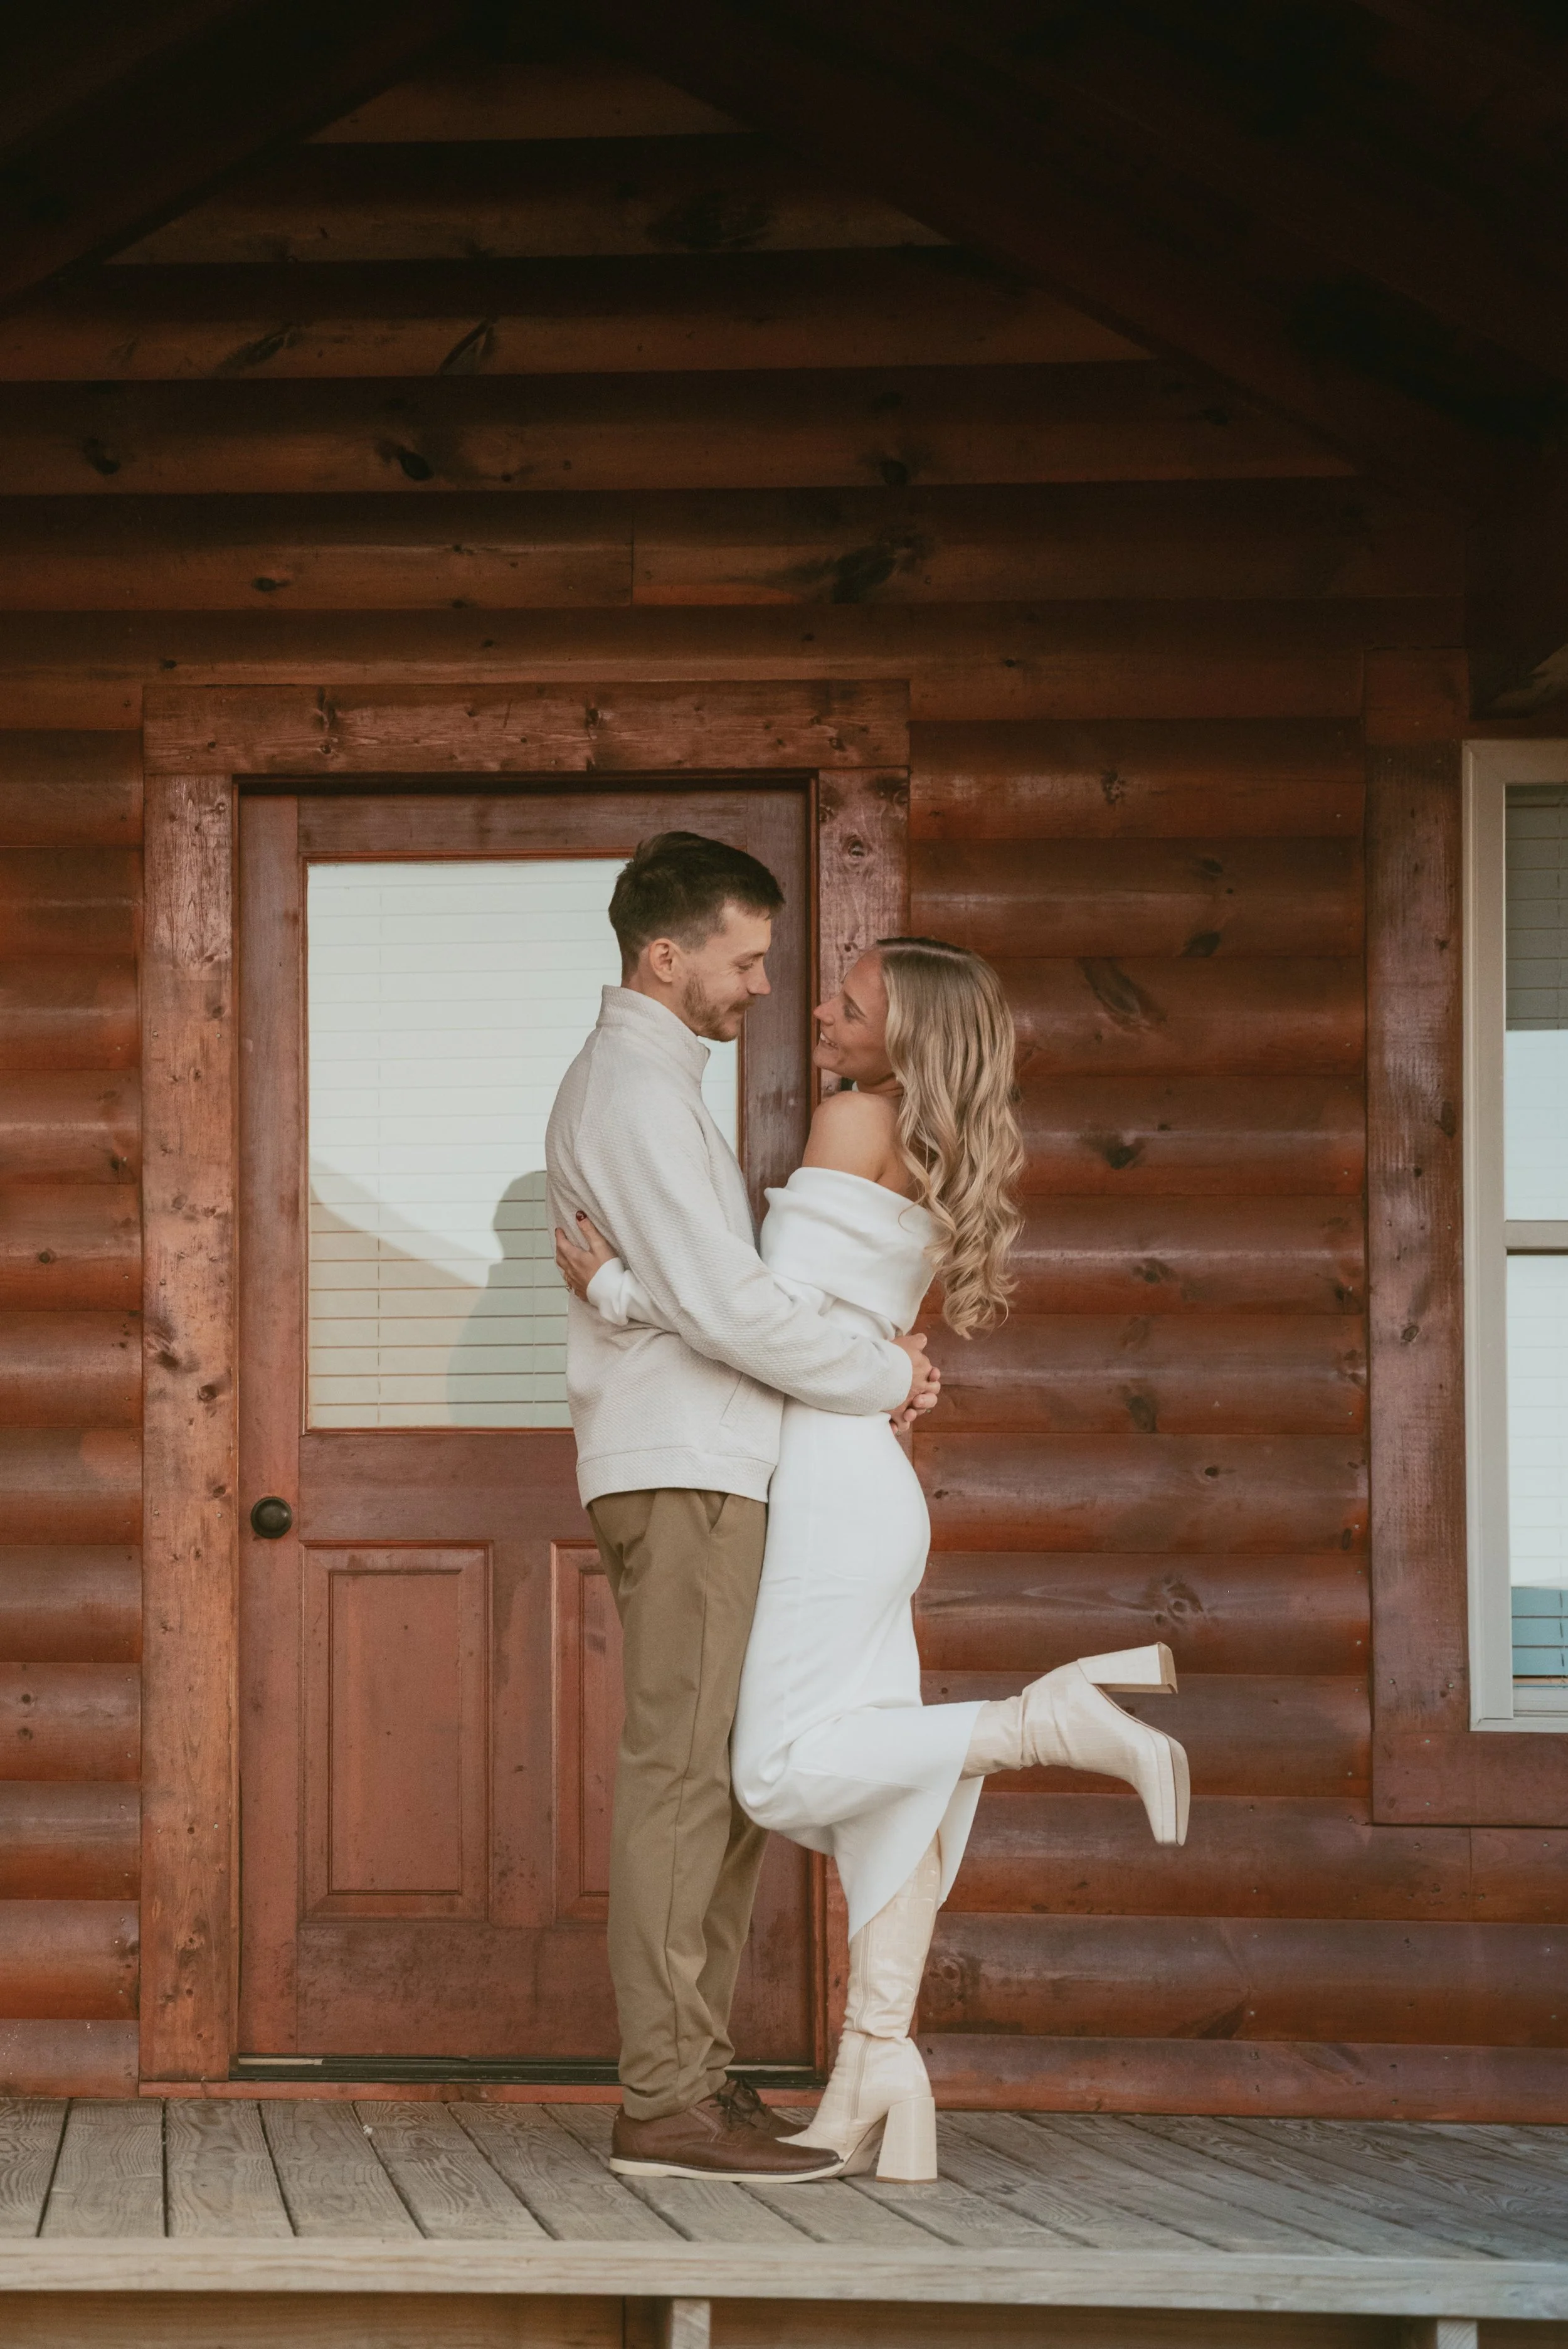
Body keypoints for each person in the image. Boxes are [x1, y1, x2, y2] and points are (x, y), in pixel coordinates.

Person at [559, 928, 1190, 2185]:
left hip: (832, 1492)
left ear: (906, 1042)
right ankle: (874, 2062)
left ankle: (1040, 1724)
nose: (822, 1018)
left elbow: (756, 1318)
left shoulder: (856, 1123)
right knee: (892, 1794)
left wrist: (620, 1290)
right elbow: (863, 1338)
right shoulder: (929, 1150)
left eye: (848, 1007)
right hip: (867, 1485)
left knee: (781, 1780)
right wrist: (894, 1379)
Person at [544, 832, 941, 2185]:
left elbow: (703, 1293)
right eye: (745, 958)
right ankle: (665, 2099)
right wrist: (882, 1368)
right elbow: (729, 1308)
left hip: (713, 1460)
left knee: (717, 1786)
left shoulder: (663, 1085)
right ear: (665, 955)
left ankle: (693, 2084)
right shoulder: (635, 1093)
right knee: (682, 1783)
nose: (763, 986)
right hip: (686, 1466)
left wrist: (625, 1293)